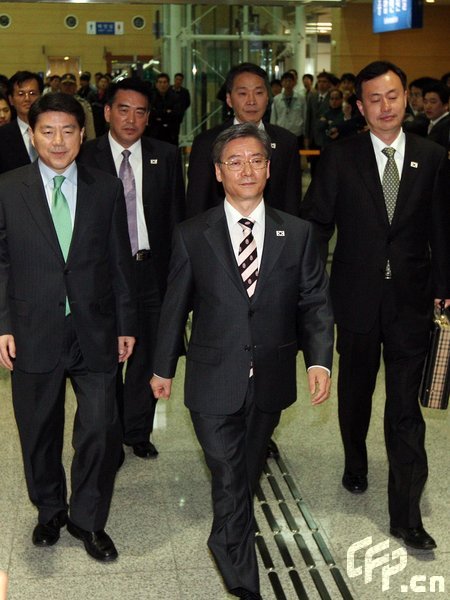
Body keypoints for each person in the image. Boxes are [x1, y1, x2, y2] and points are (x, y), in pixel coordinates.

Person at [150, 123, 333, 599]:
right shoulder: (194, 234)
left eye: (255, 160)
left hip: (270, 379)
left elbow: (314, 301)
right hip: (212, 380)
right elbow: (175, 305)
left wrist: (319, 361)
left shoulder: (296, 233)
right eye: (235, 161)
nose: (246, 169)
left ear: (269, 169)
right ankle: (242, 579)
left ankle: (224, 534)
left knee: (246, 473)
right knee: (229, 476)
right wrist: (162, 367)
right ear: (217, 172)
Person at [301, 60, 450, 551]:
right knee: (357, 389)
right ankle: (354, 459)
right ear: (359, 106)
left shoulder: (431, 156)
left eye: (393, 96)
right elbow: (318, 223)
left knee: (405, 408)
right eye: (374, 100)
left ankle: (405, 515)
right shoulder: (340, 157)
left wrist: (445, 286)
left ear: (405, 97)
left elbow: (442, 230)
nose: (385, 107)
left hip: (412, 299)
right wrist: (303, 282)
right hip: (355, 297)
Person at [0, 92, 137, 562]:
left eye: (68, 131)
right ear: (32, 134)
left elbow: (120, 260)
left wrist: (126, 323)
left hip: (94, 327)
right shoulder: (8, 186)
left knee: (100, 427)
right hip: (31, 327)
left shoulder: (104, 187)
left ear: (83, 134)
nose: (58, 142)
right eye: (47, 131)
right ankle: (50, 509)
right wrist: (2, 324)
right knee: (37, 429)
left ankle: (88, 519)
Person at [78, 78, 185, 461]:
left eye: (140, 112)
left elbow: (176, 218)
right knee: (106, 356)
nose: (131, 118)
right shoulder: (85, 157)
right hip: (102, 275)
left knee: (148, 354)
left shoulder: (166, 156)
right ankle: (108, 432)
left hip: (150, 271)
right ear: (107, 112)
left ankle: (138, 430)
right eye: (123, 109)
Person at [186, 62, 302, 218]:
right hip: (219, 236)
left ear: (268, 97)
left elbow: (291, 201)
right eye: (242, 93)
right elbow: (197, 202)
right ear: (229, 99)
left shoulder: (286, 142)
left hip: (273, 236)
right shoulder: (206, 142)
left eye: (259, 92)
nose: (251, 101)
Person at [0, 71, 43, 174]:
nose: (27, 99)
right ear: (11, 100)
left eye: (32, 93)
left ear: (41, 97)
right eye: (21, 94)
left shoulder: (54, 130)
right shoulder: (2, 135)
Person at [270, 71, 306, 149]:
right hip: (281, 132)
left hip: (297, 132)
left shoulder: (301, 98)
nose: (288, 83)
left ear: (294, 83)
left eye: (290, 81)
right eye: (285, 81)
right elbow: (273, 117)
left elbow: (304, 116)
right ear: (282, 83)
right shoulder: (276, 99)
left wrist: (304, 133)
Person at [147, 73, 182, 145]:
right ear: (156, 84)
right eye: (160, 82)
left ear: (168, 84)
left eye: (164, 82)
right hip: (154, 135)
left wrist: (160, 115)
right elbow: (150, 115)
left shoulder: (175, 98)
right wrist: (166, 112)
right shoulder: (151, 98)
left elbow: (177, 115)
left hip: (170, 135)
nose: (162, 85)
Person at [59, 73, 96, 140]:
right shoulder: (53, 104)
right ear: (60, 86)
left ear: (76, 87)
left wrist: (91, 145)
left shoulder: (83, 104)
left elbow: (89, 127)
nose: (68, 87)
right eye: (65, 84)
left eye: (71, 85)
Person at [423, 81, 450, 151]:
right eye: (425, 102)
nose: (428, 106)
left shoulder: (447, 125)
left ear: (446, 105)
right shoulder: (425, 122)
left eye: (433, 102)